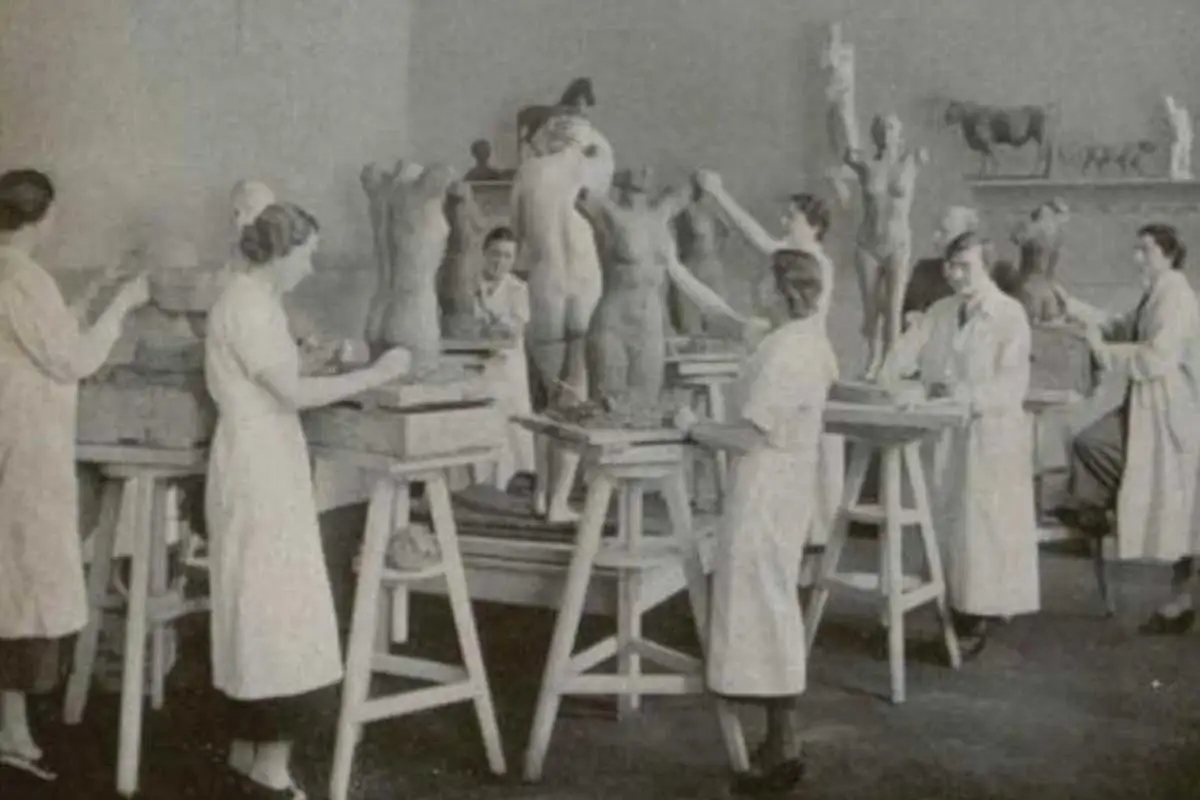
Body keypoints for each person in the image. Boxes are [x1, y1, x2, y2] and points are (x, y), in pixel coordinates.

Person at [205, 203, 412, 797]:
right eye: (308, 253)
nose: (312, 265)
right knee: (276, 617)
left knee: (260, 613)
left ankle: (251, 757)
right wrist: (379, 373)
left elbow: (272, 378)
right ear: (281, 251)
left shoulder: (251, 300)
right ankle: (270, 768)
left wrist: (314, 360)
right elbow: (289, 392)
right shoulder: (247, 304)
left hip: (262, 460)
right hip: (258, 467)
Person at [0, 169, 150, 782]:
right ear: (43, 216)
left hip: (12, 438)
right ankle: (12, 733)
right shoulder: (23, 277)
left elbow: (46, 334)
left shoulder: (14, 274)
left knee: (10, 586)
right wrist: (124, 303)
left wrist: (98, 289)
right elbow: (73, 358)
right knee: (24, 590)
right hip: (24, 447)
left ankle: (11, 728)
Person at [676, 249, 837, 795]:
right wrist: (674, 271)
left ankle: (785, 744)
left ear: (780, 288)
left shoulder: (785, 353)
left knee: (766, 603)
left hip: (768, 483)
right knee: (770, 601)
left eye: (760, 279)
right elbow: (731, 323)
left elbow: (749, 435)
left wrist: (693, 427)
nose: (754, 285)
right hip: (783, 481)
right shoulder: (800, 338)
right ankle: (778, 738)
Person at [877, 230, 1039, 656]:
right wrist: (900, 382)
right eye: (951, 265)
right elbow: (901, 358)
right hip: (946, 432)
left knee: (980, 528)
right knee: (944, 523)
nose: (955, 274)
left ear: (986, 267)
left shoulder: (1008, 315)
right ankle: (947, 607)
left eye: (965, 266)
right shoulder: (941, 310)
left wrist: (965, 397)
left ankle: (975, 617)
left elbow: (1011, 385)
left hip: (990, 435)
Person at [1054, 224, 1200, 634]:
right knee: (1092, 445)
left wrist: (1105, 353)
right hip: (1149, 406)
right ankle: (1096, 508)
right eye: (1136, 249)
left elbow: (1156, 359)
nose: (1137, 257)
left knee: (1183, 517)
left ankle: (1097, 509)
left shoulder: (1177, 297)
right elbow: (1121, 325)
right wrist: (1074, 307)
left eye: (1146, 250)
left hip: (1173, 413)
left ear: (1168, 254)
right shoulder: (1157, 292)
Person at [694, 171, 843, 549]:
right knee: (803, 450)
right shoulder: (799, 261)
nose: (784, 222)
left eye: (791, 217)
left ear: (814, 225)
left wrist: (718, 193)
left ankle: (816, 534)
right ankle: (810, 534)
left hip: (805, 358)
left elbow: (756, 239)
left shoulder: (810, 263)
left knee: (804, 450)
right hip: (799, 351)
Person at [474, 226, 536, 490]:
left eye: (507, 256)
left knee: (516, 419)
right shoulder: (470, 285)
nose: (500, 262)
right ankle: (484, 482)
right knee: (484, 419)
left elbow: (513, 330)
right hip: (481, 366)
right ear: (484, 253)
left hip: (509, 367)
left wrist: (490, 321)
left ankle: (523, 478)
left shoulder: (518, 289)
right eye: (495, 254)